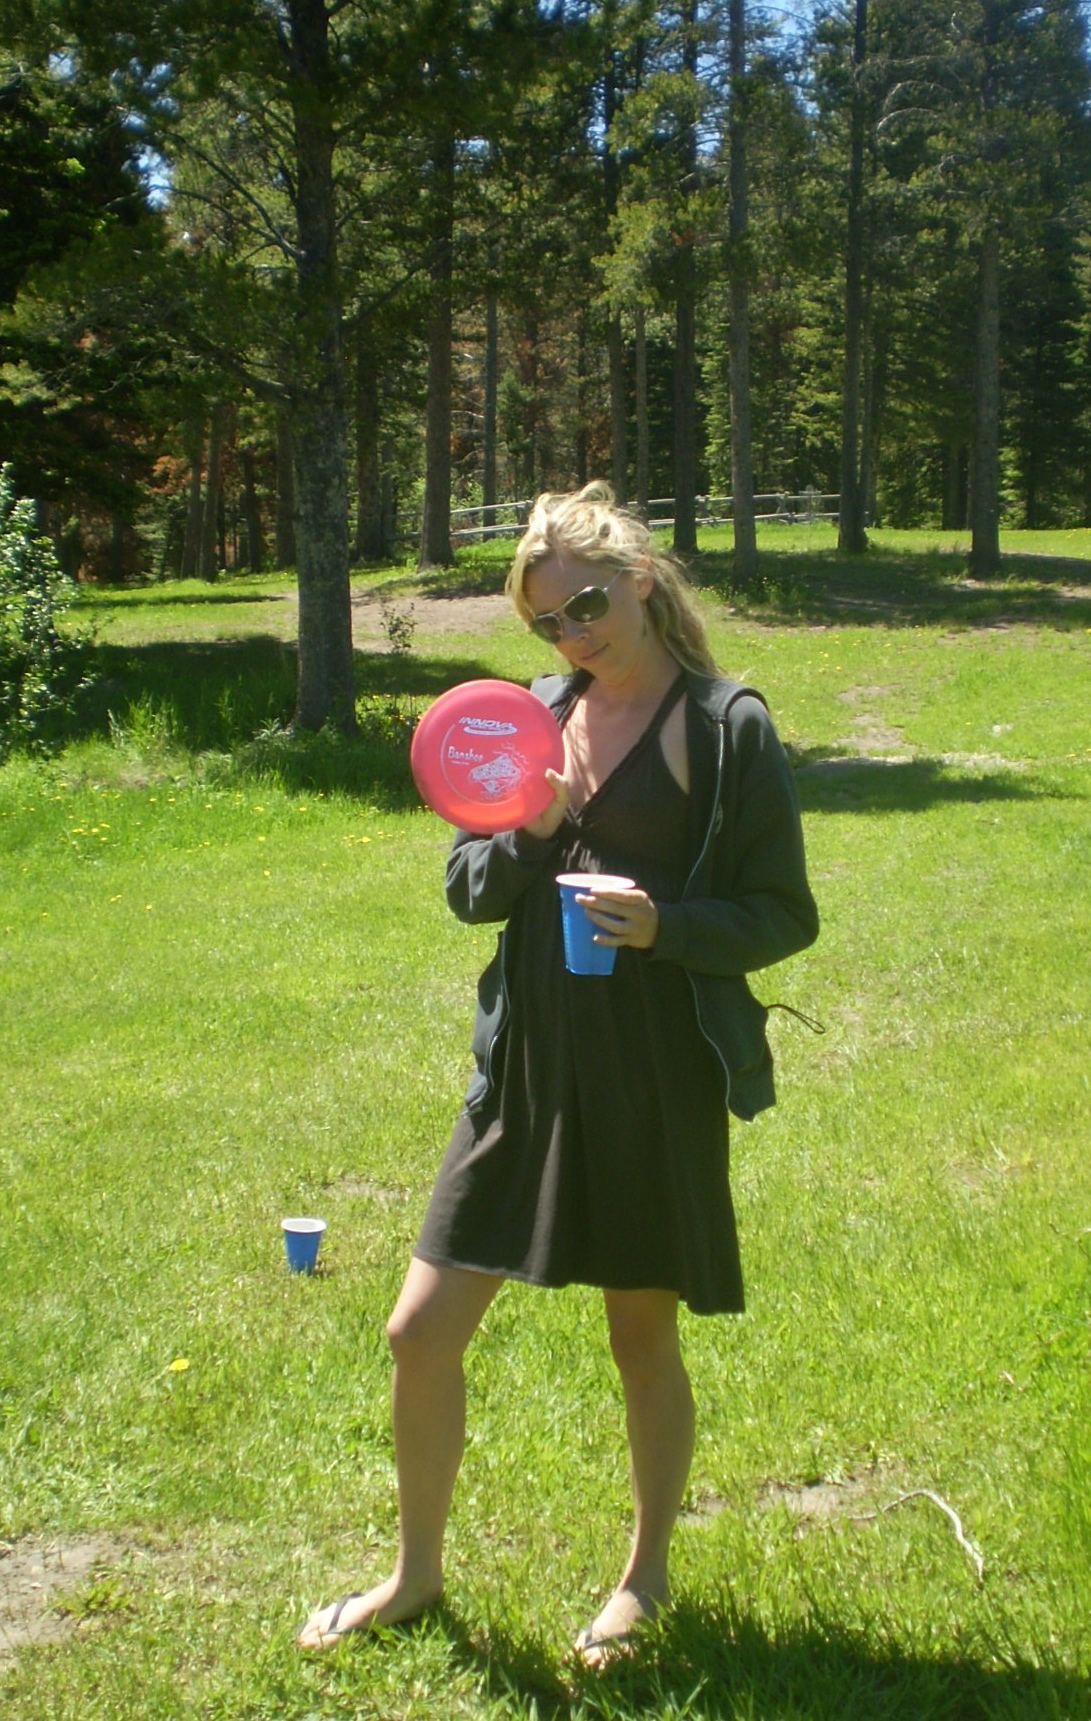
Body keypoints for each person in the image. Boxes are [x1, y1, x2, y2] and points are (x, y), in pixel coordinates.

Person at [298, 481, 819, 1661]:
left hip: (648, 1074)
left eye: (584, 605)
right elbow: (465, 890)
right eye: (544, 622)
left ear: (638, 578)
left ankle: (644, 1577)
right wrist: (529, 833)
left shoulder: (722, 726)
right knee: (417, 1330)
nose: (569, 635)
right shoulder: (527, 718)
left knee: (640, 1338)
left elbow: (782, 911)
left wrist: (666, 925)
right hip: (523, 1067)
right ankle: (413, 1575)